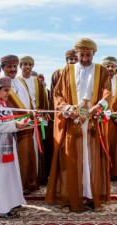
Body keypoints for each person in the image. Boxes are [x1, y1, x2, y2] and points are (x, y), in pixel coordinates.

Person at [46, 38, 112, 213]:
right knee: (71, 160)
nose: (84, 58)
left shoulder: (102, 71)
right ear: (76, 54)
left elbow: (107, 92)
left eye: (88, 54)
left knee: (91, 161)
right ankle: (69, 200)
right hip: (72, 122)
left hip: (92, 122)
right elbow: (58, 95)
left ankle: (92, 199)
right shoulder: (67, 70)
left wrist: (100, 105)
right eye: (81, 54)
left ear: (94, 53)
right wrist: (67, 108)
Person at [0, 76, 28, 218]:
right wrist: (16, 125)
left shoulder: (5, 106)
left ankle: (10, 203)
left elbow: (10, 123)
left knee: (9, 173)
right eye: (5, 90)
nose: (7, 93)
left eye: (8, 90)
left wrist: (19, 123)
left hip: (9, 142)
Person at [1, 54, 38, 195]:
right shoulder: (0, 84)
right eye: (9, 66)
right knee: (16, 159)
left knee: (27, 156)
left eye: (15, 66)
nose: (13, 69)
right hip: (12, 128)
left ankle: (28, 184)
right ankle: (16, 187)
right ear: (3, 68)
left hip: (26, 125)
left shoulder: (20, 82)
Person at [46, 49, 78, 181]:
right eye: (70, 58)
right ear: (66, 59)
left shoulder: (83, 73)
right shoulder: (57, 74)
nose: (72, 61)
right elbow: (54, 97)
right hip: (62, 116)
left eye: (75, 58)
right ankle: (63, 179)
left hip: (80, 116)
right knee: (63, 148)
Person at [18, 56, 49, 185]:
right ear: (20, 66)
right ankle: (24, 179)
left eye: (30, 64)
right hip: (22, 120)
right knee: (24, 150)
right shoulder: (16, 81)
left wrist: (43, 116)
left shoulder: (37, 81)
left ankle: (38, 177)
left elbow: (43, 100)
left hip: (36, 119)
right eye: (25, 64)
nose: (28, 67)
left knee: (38, 148)